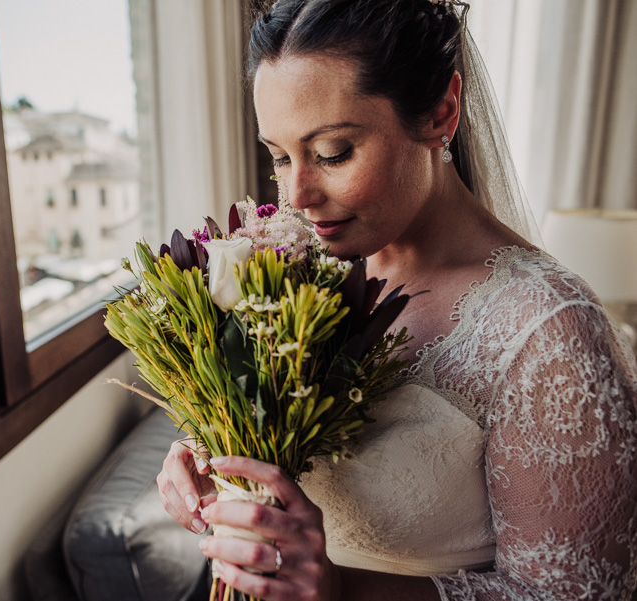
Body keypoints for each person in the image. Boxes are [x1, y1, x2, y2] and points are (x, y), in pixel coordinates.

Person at [155, 0, 637, 599]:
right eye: (279, 156)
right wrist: (220, 444)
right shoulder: (295, 267)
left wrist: (340, 589)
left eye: (332, 152)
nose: (297, 195)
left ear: (441, 111)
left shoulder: (546, 331)